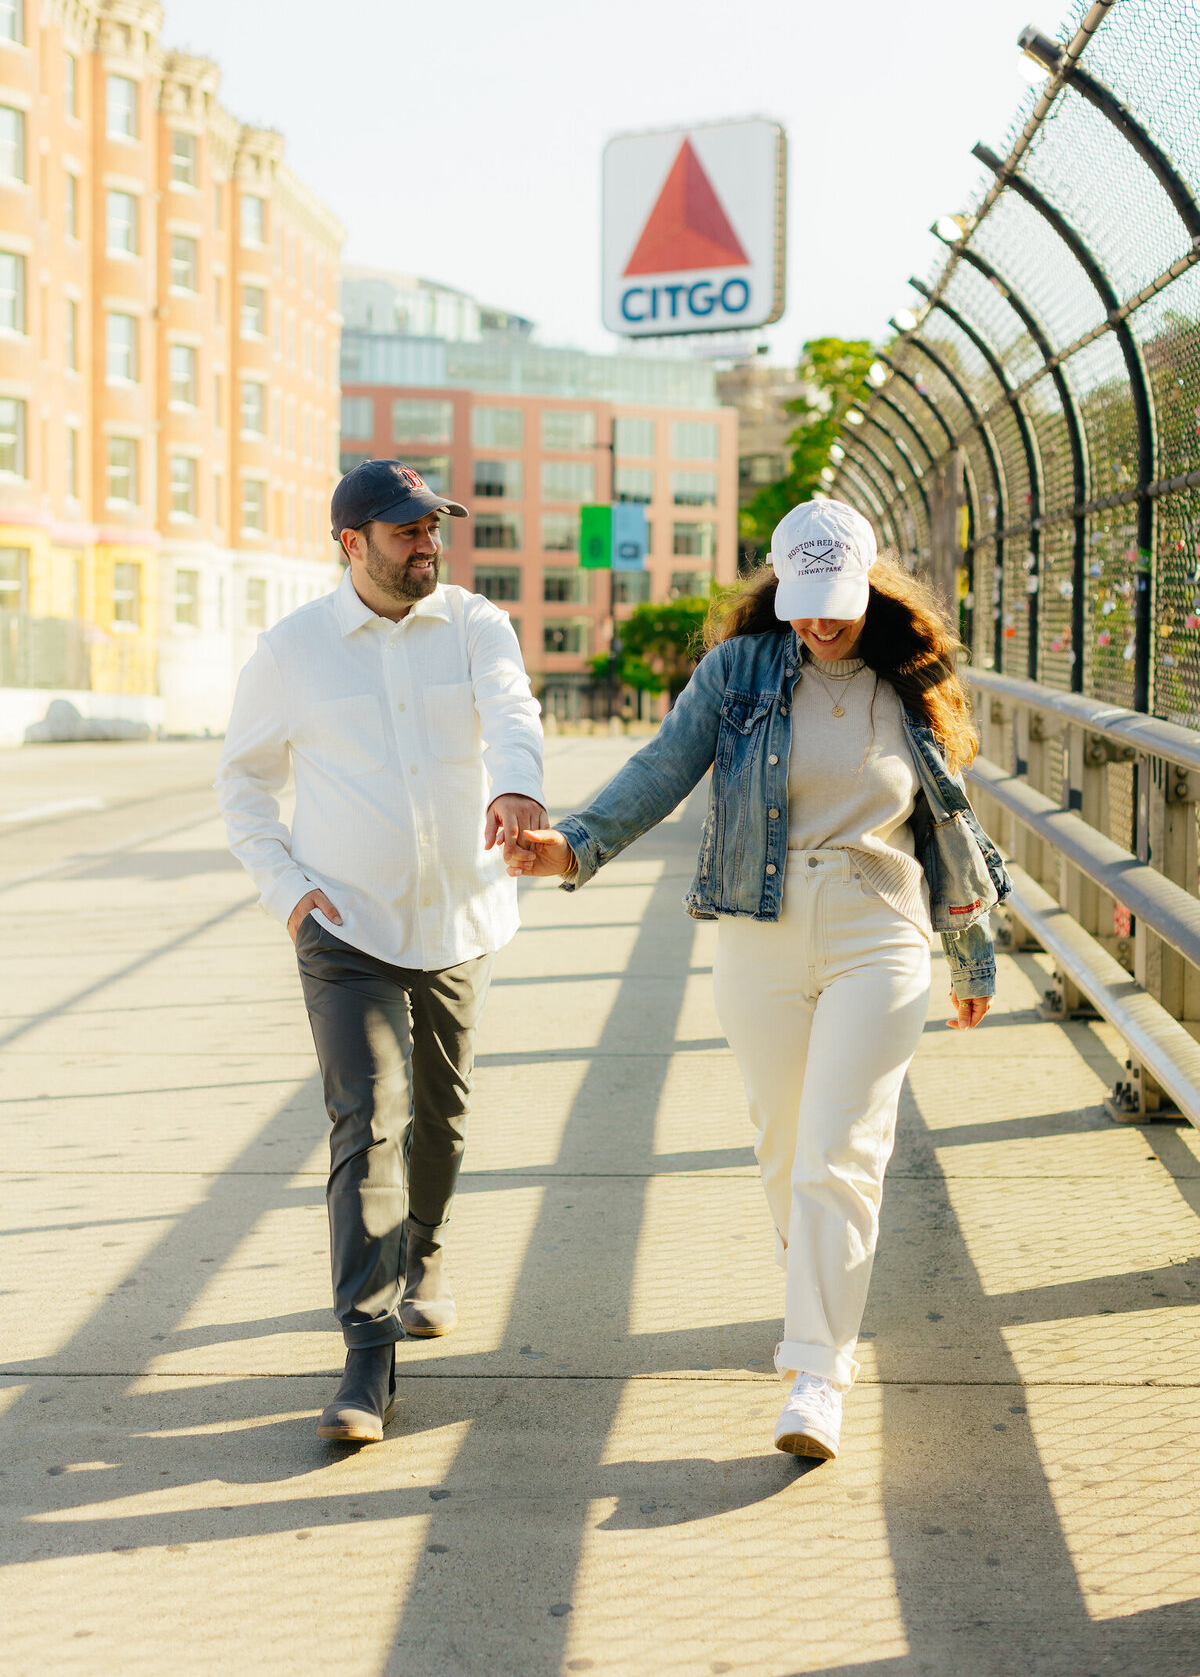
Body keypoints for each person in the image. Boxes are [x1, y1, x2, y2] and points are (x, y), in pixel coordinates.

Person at [505, 497, 1009, 1463]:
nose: (823, 623)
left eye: (842, 604)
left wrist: (971, 948)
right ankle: (818, 1285)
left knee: (838, 1153)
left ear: (872, 585)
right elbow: (664, 768)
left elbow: (948, 818)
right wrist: (574, 845)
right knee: (785, 1149)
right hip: (760, 924)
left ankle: (817, 1373)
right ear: (778, 587)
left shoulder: (914, 678)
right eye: (806, 603)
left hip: (880, 926)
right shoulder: (738, 670)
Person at [217, 460, 545, 1444]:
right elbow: (242, 786)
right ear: (350, 543)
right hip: (345, 927)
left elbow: (513, 711)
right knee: (368, 1118)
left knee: (442, 1113)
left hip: (457, 918)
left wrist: (519, 787)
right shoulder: (292, 653)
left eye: (432, 528)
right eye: (405, 532)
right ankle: (367, 1359)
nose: (427, 546)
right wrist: (287, 892)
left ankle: (427, 1253)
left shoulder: (477, 625)